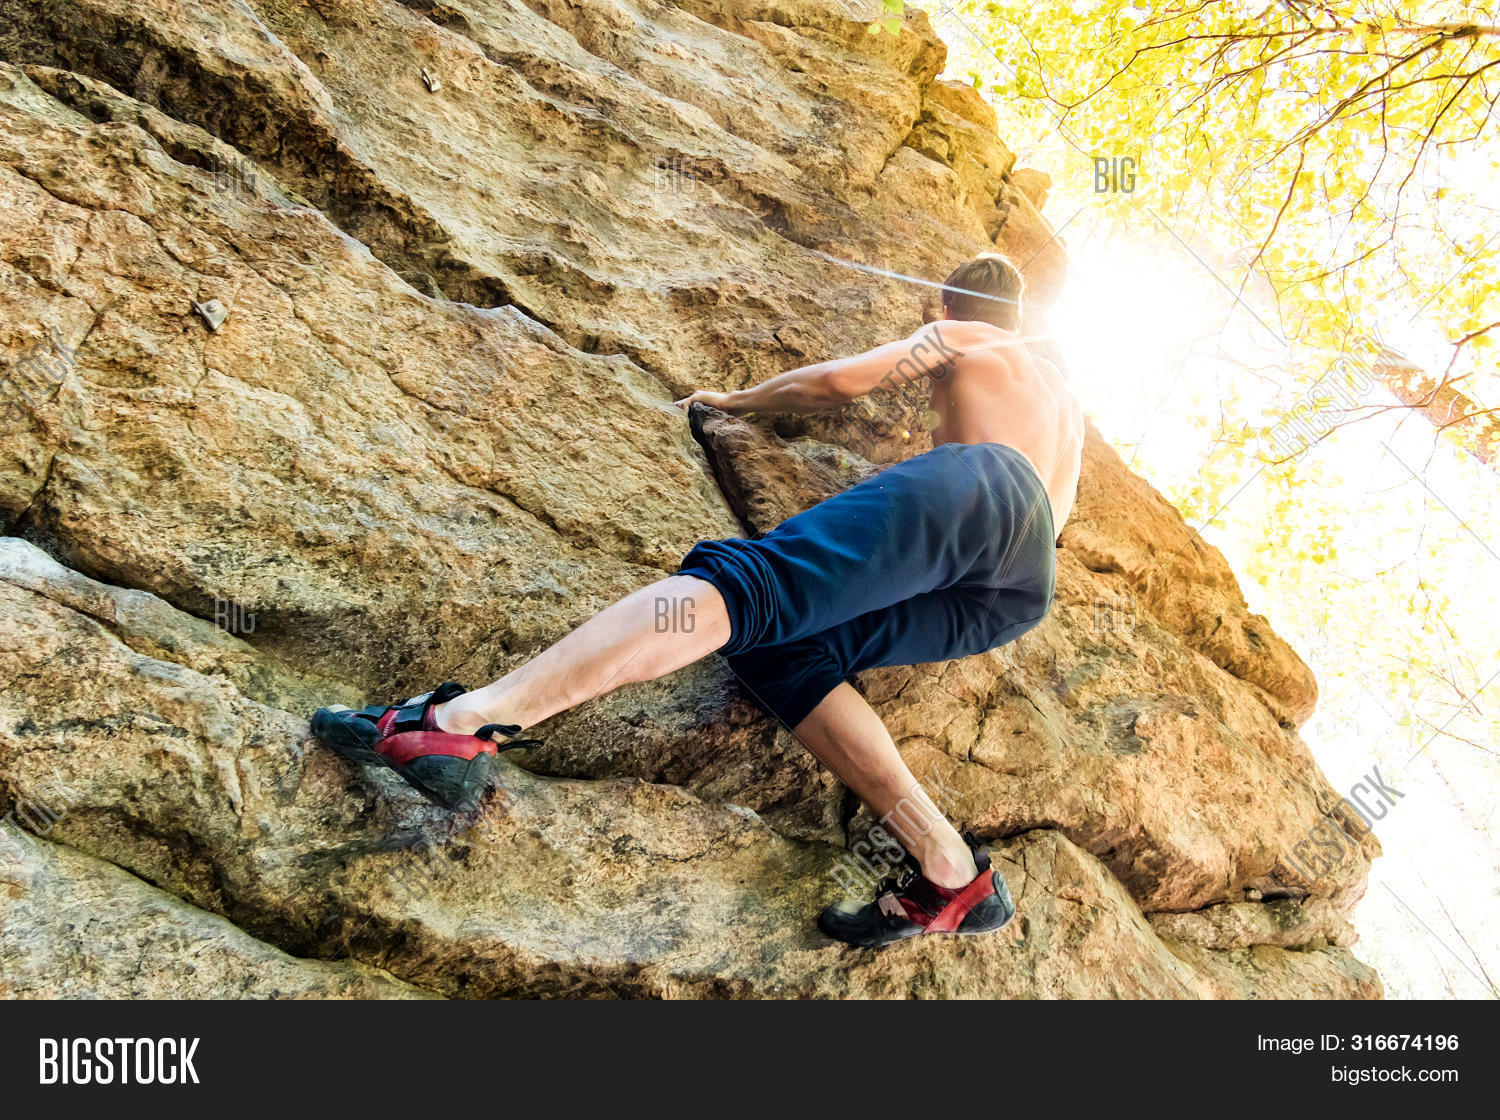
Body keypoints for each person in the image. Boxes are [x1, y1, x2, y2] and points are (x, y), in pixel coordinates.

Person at [313, 253, 1085, 947]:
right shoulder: (1064, 401)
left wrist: (737, 401)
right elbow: (1046, 522)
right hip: (1019, 586)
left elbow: (840, 383)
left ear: (943, 311)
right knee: (782, 650)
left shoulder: (968, 339)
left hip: (980, 489)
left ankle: (461, 723)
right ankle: (948, 866)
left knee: (742, 590)